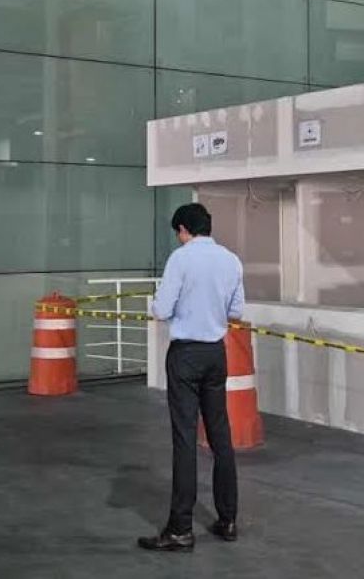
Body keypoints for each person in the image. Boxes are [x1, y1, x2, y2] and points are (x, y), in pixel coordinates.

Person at [137, 203, 245, 553]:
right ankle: (227, 519)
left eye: (178, 232)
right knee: (220, 437)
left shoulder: (180, 259)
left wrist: (163, 304)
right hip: (216, 354)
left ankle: (181, 528)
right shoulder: (231, 260)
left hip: (185, 355)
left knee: (185, 439)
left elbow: (162, 309)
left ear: (184, 229)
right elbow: (236, 310)